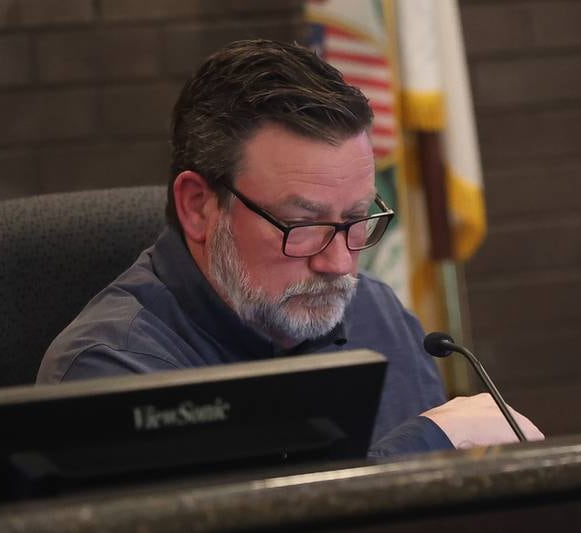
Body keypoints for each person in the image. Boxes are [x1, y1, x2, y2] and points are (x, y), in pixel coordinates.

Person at [36, 39, 542, 455]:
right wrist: (425, 444)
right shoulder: (108, 372)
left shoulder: (376, 313)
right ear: (197, 206)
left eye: (357, 219)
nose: (339, 262)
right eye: (301, 224)